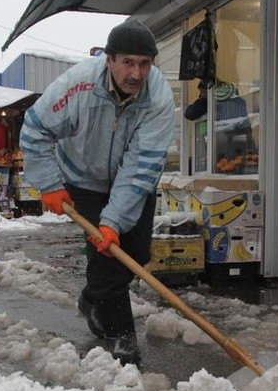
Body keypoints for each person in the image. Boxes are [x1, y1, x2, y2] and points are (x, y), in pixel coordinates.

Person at [19, 18, 174, 365]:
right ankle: (120, 336)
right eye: (128, 63)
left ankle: (92, 299)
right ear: (109, 59)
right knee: (108, 257)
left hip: (132, 181)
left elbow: (141, 164)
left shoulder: (158, 98)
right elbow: (34, 130)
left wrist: (114, 220)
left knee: (134, 254)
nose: (136, 73)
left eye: (145, 64)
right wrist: (50, 184)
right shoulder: (76, 87)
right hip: (84, 179)